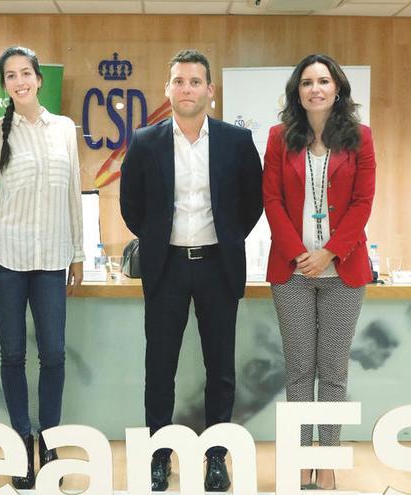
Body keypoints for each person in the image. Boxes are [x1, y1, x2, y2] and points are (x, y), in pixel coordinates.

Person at [119, 49, 263, 492]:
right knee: (159, 367)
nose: (187, 89)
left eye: (195, 82)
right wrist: (158, 238)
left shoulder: (236, 142)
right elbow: (131, 206)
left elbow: (252, 203)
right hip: (167, 269)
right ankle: (158, 458)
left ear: (210, 91)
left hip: (218, 266)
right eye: (179, 81)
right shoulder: (145, 141)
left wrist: (229, 236)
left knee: (220, 367)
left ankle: (216, 455)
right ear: (168, 88)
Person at [0, 45, 84, 489]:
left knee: (54, 354)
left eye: (26, 73)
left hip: (53, 257)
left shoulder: (63, 128)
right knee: (13, 354)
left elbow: (73, 191)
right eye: (11, 76)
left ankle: (49, 439)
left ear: (39, 79)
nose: (20, 81)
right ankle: (22, 438)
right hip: (6, 257)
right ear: (4, 85)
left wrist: (78, 253)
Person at [262, 53, 376, 490]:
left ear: (338, 89)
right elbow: (271, 199)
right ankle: (296, 460)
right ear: (297, 92)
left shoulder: (360, 138)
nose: (315, 89)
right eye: (307, 82)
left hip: (343, 271)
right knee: (297, 370)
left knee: (332, 370)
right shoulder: (278, 138)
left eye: (323, 81)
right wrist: (297, 253)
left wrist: (328, 252)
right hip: (291, 273)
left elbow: (362, 204)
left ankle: (325, 461)